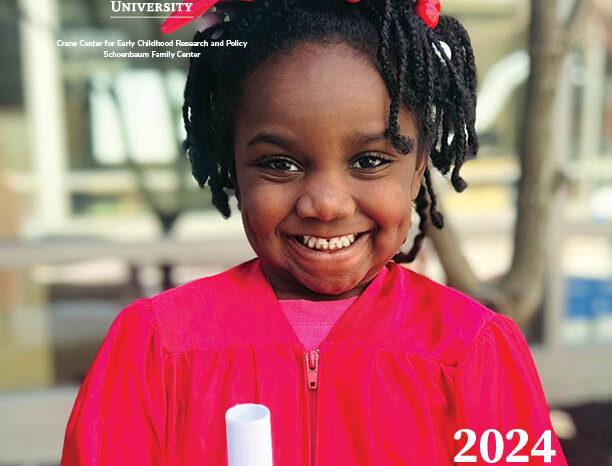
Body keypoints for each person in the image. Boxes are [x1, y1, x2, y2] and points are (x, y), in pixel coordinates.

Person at [61, 0, 568, 464]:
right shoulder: (156, 349)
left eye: (370, 161)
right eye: (279, 164)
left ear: (417, 172)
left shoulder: (472, 353)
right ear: (233, 165)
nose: (325, 203)